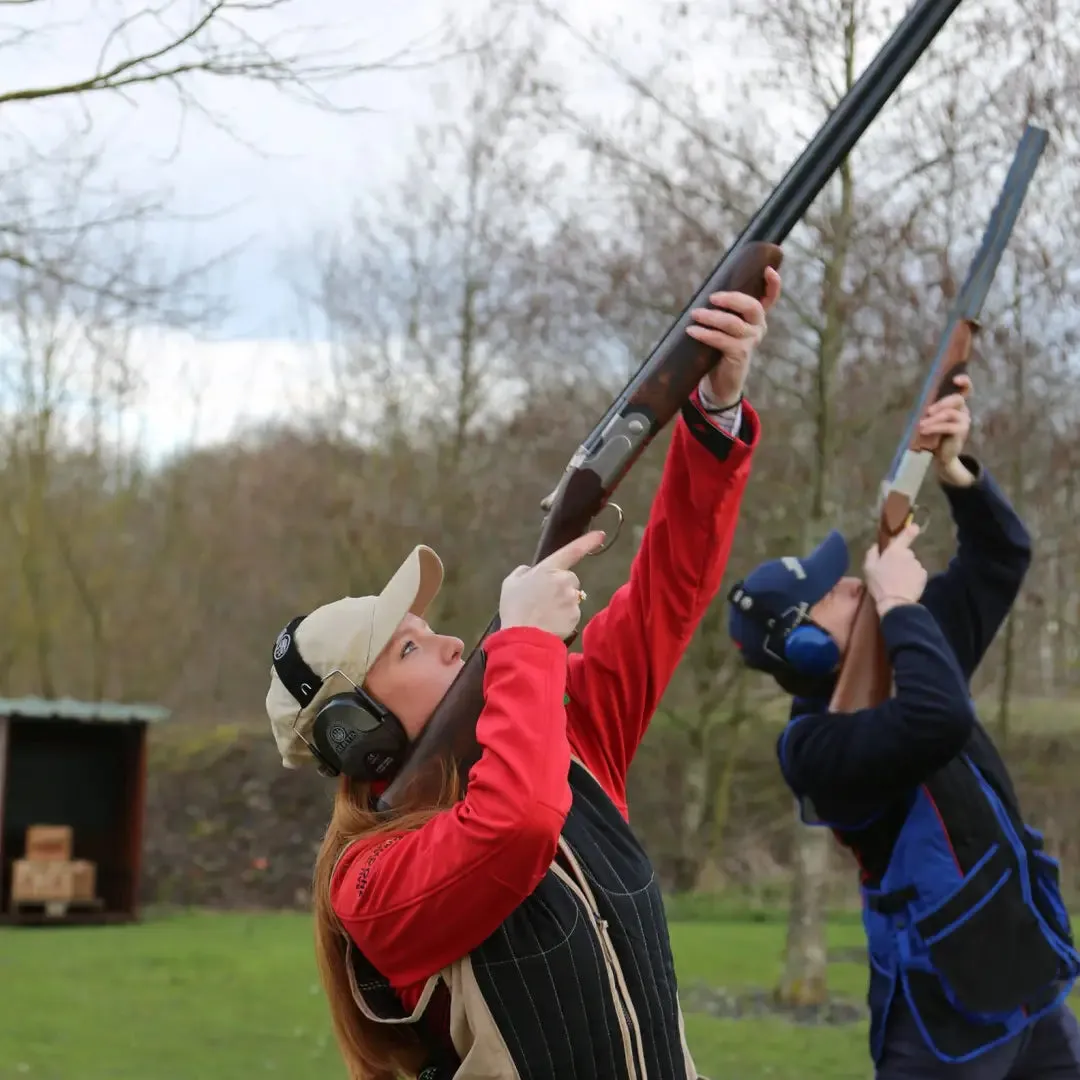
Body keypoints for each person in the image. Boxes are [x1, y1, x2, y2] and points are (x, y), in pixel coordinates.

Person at [263, 267, 783, 1080]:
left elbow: (668, 595)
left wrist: (713, 413)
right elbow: (517, 825)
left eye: (430, 631)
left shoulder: (564, 732)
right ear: (354, 732)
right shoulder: (368, 883)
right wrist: (529, 644)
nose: (448, 645)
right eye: (408, 649)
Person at [725, 375, 1080, 1079]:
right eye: (831, 592)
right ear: (801, 647)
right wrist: (900, 606)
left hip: (1023, 977)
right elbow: (936, 721)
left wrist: (953, 473)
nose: (853, 582)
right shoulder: (813, 748)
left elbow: (1000, 558)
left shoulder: (902, 649)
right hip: (942, 1012)